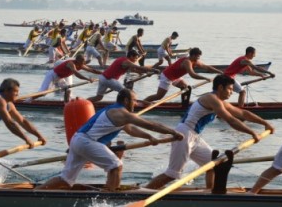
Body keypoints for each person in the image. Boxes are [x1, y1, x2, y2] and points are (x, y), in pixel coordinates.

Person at [36, 89, 184, 191]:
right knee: (116, 165)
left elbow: (130, 129)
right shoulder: (121, 113)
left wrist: (149, 137)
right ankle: (111, 197)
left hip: (78, 140)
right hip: (86, 141)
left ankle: (37, 192)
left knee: (66, 180)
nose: (136, 104)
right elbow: (151, 124)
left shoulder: (114, 110)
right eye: (134, 101)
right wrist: (173, 132)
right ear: (126, 100)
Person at [145, 74, 275, 190]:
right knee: (172, 174)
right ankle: (143, 192)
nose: (231, 92)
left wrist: (265, 123)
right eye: (229, 89)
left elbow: (243, 113)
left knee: (214, 165)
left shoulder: (220, 101)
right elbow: (230, 120)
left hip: (194, 136)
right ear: (220, 88)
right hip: (183, 135)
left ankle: (209, 194)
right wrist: (252, 133)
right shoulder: (211, 99)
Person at [144, 47, 223, 102]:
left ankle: (184, 104)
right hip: (167, 76)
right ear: (193, 55)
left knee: (185, 88)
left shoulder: (195, 61)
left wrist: (220, 72)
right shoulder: (187, 62)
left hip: (175, 77)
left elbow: (207, 67)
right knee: (159, 96)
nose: (198, 59)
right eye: (197, 57)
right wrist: (205, 78)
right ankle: (142, 103)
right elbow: (192, 74)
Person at [87, 50, 160, 103]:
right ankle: (122, 107)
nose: (135, 60)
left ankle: (84, 102)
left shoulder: (124, 60)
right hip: (108, 79)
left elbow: (136, 70)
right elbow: (139, 67)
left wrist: (148, 73)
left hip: (103, 77)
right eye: (135, 58)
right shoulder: (126, 61)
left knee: (98, 97)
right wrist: (153, 69)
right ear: (131, 56)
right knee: (126, 93)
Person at [35, 54, 102, 100]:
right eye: (82, 61)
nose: (83, 62)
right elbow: (76, 74)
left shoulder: (81, 65)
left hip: (59, 78)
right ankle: (28, 100)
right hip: (52, 75)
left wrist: (104, 73)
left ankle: (66, 105)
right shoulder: (71, 64)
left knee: (68, 90)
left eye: (84, 61)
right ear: (77, 60)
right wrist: (88, 79)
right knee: (44, 92)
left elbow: (92, 70)